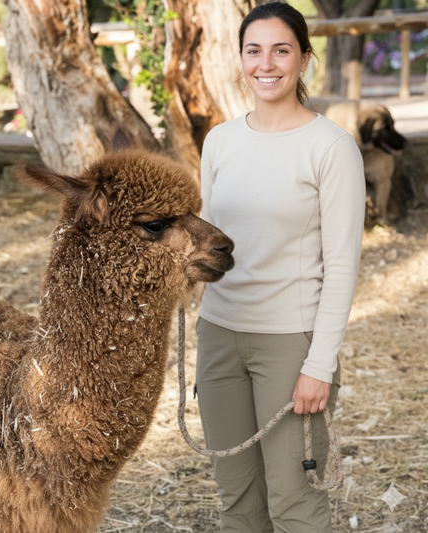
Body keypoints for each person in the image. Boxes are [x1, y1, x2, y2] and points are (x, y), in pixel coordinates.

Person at [196, 2, 366, 532]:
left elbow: (341, 265)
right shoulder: (220, 140)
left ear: (304, 58)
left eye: (281, 50)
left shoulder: (331, 147)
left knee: (294, 503)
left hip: (290, 344)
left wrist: (319, 364)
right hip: (219, 337)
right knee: (237, 501)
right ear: (241, 58)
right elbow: (202, 245)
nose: (265, 64)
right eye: (253, 50)